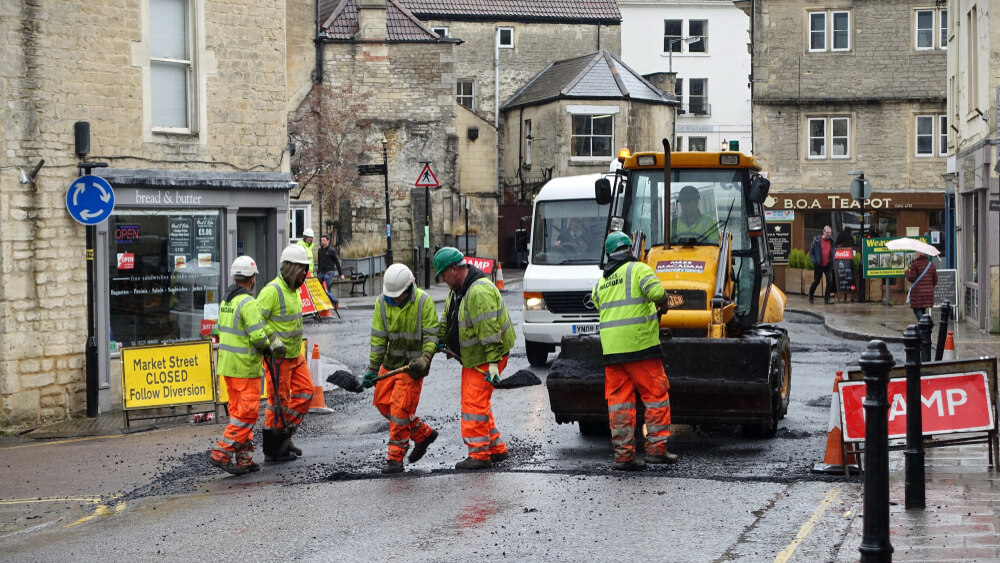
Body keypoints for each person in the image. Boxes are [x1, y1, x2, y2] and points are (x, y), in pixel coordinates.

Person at [591, 231, 678, 471]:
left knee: (619, 403)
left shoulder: (602, 282)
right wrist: (663, 303)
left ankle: (623, 456)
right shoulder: (639, 269)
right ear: (631, 250)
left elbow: (597, 302)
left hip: (612, 352)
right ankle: (656, 450)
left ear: (609, 255)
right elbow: (657, 293)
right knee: (656, 396)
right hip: (641, 348)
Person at [433, 246, 516, 470]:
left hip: (489, 356)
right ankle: (496, 449)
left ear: (453, 270)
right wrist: (438, 340)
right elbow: (448, 319)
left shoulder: (478, 292)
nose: (443, 281)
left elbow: (490, 333)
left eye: (443, 275)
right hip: (476, 356)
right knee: (477, 403)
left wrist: (492, 365)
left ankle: (479, 455)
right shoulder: (458, 289)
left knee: (473, 405)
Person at [361, 264, 440, 474]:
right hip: (391, 365)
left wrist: (426, 357)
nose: (395, 299)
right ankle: (423, 434)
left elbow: (432, 335)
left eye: (399, 295)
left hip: (413, 367)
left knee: (399, 410)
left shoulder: (424, 302)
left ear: (409, 288)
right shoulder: (381, 303)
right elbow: (378, 339)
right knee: (382, 403)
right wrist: (372, 369)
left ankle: (395, 459)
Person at [209, 256, 285, 475]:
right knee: (248, 415)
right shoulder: (248, 302)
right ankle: (221, 453)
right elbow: (258, 336)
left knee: (238, 414)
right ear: (252, 279)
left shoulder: (227, 301)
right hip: (245, 369)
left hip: (228, 367)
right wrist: (270, 348)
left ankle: (244, 460)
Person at [256, 244, 313, 462]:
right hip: (277, 359)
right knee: (278, 402)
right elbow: (256, 320)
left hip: (295, 355)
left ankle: (286, 436)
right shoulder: (272, 291)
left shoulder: (294, 291)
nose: (304, 276)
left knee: (306, 392)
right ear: (291, 268)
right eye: (302, 271)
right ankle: (274, 448)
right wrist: (272, 339)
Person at [905, 251, 938, 321]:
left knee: (917, 310)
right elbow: (935, 281)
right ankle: (923, 329)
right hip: (928, 293)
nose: (915, 254)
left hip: (917, 294)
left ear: (920, 254)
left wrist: (906, 271)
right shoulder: (932, 265)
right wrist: (929, 287)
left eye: (916, 252)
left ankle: (926, 325)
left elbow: (911, 278)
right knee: (922, 310)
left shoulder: (915, 264)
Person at [808, 225, 837, 305]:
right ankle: (811, 295)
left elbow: (834, 250)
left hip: (828, 265)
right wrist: (814, 261)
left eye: (830, 233)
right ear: (823, 232)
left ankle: (827, 299)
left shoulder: (832, 241)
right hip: (819, 265)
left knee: (830, 281)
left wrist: (832, 258)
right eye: (827, 232)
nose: (829, 234)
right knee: (816, 281)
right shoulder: (817, 241)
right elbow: (811, 253)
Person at [317, 234, 345, 311]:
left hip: (329, 272)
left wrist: (341, 274)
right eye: (321, 240)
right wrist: (318, 272)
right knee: (319, 290)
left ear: (328, 241)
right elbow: (319, 262)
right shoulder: (320, 251)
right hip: (321, 273)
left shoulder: (332, 251)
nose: (322, 242)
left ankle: (334, 301)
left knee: (326, 289)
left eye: (324, 240)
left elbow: (337, 262)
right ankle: (326, 304)